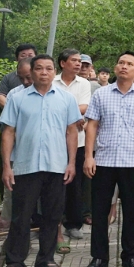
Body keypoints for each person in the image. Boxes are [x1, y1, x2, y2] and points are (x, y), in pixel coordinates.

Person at [0, 54, 81, 267]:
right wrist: (7, 166)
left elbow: (71, 131)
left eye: (48, 68)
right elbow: (8, 132)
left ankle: (46, 259)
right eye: (39, 68)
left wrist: (71, 163)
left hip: (56, 166)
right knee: (21, 216)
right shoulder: (17, 98)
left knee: (53, 216)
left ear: (54, 72)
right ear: (32, 72)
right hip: (25, 166)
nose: (44, 72)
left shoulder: (66, 99)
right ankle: (15, 261)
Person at [83, 51, 134, 267]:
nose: (124, 66)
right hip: (104, 161)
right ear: (116, 68)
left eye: (129, 64)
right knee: (100, 211)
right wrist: (89, 156)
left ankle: (130, 255)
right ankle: (99, 256)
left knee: (132, 212)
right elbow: (92, 125)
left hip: (133, 161)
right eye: (121, 63)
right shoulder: (101, 94)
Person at [54, 49, 92, 245]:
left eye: (79, 61)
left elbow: (85, 107)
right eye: (74, 60)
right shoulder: (53, 82)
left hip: (79, 141)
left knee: (75, 184)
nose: (78, 64)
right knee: (54, 183)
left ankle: (73, 224)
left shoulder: (84, 83)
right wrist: (73, 115)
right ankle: (54, 224)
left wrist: (59, 113)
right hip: (55, 141)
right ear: (63, 63)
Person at [0, 43, 38, 209]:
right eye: (22, 78)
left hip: (40, 151)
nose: (26, 82)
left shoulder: (55, 92)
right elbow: (8, 128)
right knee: (14, 188)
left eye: (29, 77)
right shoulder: (14, 92)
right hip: (16, 146)